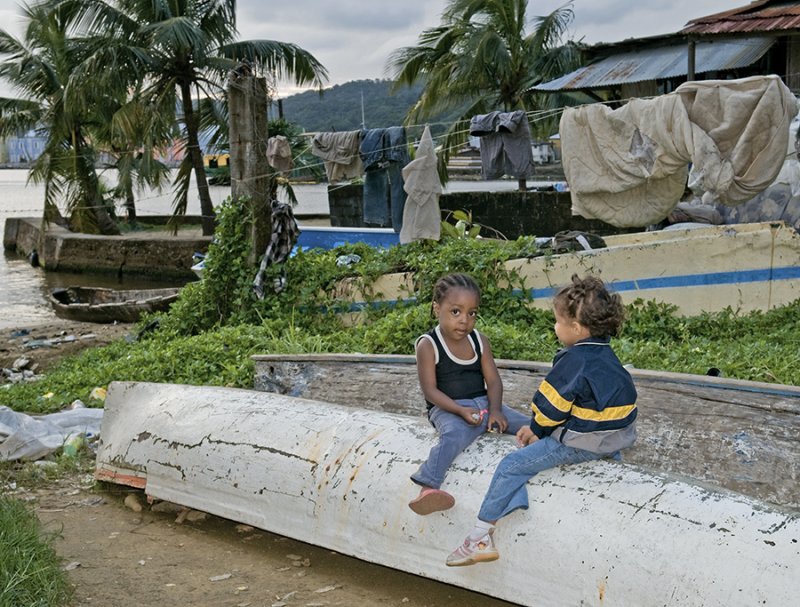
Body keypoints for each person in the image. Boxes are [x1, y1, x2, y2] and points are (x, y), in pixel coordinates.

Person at [446, 274, 638, 566]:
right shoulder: (608, 356)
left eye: (558, 321)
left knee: (511, 466)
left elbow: (550, 407)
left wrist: (535, 430)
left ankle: (480, 537)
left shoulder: (573, 360)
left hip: (581, 444)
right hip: (615, 440)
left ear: (575, 328)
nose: (555, 327)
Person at [408, 272, 530, 515]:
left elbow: (493, 380)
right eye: (456, 312)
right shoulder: (428, 345)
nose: (464, 320)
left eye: (471, 313)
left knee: (531, 425)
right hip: (447, 407)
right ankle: (428, 486)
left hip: (484, 404)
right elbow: (430, 391)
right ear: (436, 308)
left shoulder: (479, 341)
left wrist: (495, 410)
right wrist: (460, 410)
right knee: (453, 435)